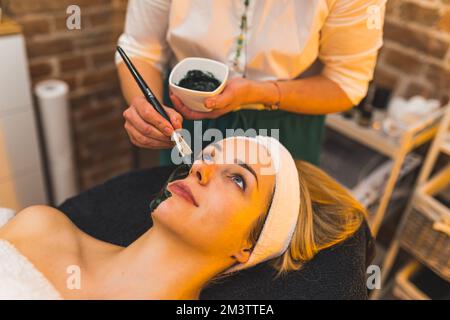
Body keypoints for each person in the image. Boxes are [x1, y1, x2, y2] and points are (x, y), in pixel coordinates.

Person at [0, 136, 366, 299]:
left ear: (248, 246)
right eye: (208, 157)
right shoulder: (41, 227)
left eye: (237, 179)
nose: (201, 170)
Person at [116, 0, 386, 166]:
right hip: (187, 118)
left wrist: (260, 92)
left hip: (285, 121)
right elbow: (140, 49)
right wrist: (144, 106)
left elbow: (346, 82)